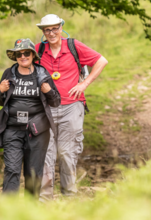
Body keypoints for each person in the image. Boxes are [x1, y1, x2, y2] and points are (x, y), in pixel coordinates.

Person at [34, 14, 108, 201]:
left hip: (72, 107)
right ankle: (45, 201)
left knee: (67, 152)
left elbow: (101, 61)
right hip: (45, 110)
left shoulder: (74, 46)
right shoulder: (38, 50)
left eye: (55, 28)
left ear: (61, 27)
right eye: (47, 30)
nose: (51, 33)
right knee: (45, 155)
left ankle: (70, 199)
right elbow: (23, 64)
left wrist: (84, 84)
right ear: (43, 32)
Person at [0, 38, 61, 197]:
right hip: (12, 130)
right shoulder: (9, 73)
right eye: (19, 54)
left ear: (33, 55)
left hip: (37, 132)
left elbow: (56, 101)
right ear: (15, 56)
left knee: (34, 172)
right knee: (12, 169)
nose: (22, 56)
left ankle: (30, 210)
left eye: (26, 53)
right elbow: (1, 102)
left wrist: (48, 90)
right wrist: (0, 90)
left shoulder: (42, 73)